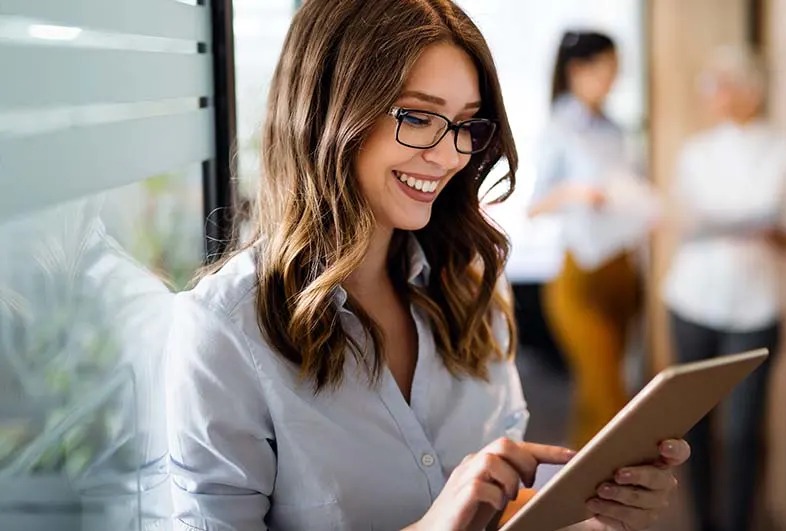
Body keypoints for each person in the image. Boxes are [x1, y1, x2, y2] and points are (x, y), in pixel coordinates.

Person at [164, 2, 690, 530]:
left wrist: (593, 513)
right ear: (326, 110)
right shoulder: (224, 332)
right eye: (417, 116)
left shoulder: (472, 289)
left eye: (466, 123)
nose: (449, 156)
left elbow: (505, 506)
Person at [661, 45, 786, 531]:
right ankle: (703, 521)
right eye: (711, 85)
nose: (715, 95)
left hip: (757, 305)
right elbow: (681, 220)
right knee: (695, 427)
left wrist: (773, 232)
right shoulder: (696, 153)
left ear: (752, 90)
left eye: (723, 84)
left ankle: (738, 521)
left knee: (745, 430)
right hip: (693, 300)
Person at [527, 31, 660, 448]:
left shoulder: (616, 129)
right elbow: (534, 206)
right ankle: (606, 492)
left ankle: (584, 500)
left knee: (595, 395)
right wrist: (578, 193)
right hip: (580, 271)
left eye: (617, 71)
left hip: (622, 269)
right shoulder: (559, 129)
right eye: (606, 70)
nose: (613, 80)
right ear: (577, 71)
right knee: (610, 399)